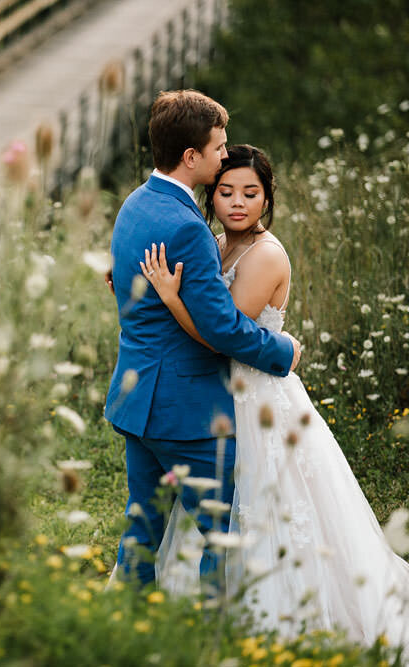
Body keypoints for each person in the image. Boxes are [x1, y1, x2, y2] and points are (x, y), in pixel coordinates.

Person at [141, 144, 409, 644]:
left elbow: (221, 336)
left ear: (267, 198)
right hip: (219, 395)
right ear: (212, 195)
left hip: (257, 396)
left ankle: (275, 611)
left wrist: (172, 299)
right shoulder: (217, 243)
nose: (237, 203)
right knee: (219, 500)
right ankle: (208, 607)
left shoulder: (265, 254)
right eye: (225, 192)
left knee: (267, 500)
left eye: (251, 193)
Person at [104, 90, 301, 590]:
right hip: (183, 407)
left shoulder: (136, 204)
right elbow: (221, 327)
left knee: (142, 529)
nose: (223, 155)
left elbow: (121, 280)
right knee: (224, 533)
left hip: (136, 397)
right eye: (218, 147)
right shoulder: (189, 227)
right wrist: (284, 352)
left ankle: (128, 627)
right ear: (192, 157)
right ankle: (216, 640)